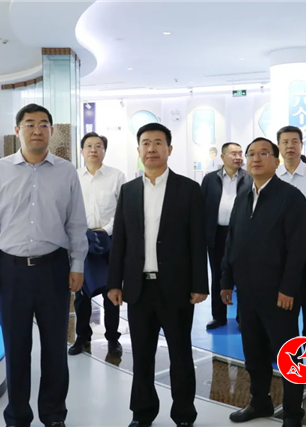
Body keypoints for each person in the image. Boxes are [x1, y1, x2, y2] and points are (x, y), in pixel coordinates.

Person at [0, 103, 88, 427]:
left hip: (54, 268)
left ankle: (53, 414)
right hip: (10, 271)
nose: (36, 130)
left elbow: (76, 223)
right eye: (29, 124)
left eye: (43, 124)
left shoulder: (66, 171)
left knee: (55, 347)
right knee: (16, 347)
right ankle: (17, 416)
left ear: (51, 131)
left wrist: (77, 264)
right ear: (18, 130)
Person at [106, 123, 209, 427]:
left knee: (180, 354)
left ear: (169, 149)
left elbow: (197, 240)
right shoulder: (128, 190)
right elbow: (120, 241)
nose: (151, 149)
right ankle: (142, 413)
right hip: (138, 288)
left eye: (158, 143)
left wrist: (200, 284)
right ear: (138, 149)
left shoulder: (188, 189)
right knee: (142, 355)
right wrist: (114, 283)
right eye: (146, 143)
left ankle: (184, 415)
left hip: (176, 287)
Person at [221, 137, 306, 427]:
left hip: (278, 293)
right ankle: (260, 401)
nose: (256, 159)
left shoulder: (290, 197)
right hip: (246, 291)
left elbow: (297, 248)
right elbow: (232, 240)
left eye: (263, 153)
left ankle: (293, 414)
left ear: (276, 160)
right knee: (253, 352)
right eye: (251, 154)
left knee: (289, 355)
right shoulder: (244, 194)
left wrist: (288, 288)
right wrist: (226, 280)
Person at [69, 132, 125, 356]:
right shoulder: (73, 177)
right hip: (81, 240)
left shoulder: (116, 176)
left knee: (112, 291)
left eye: (98, 146)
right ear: (82, 151)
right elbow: (67, 209)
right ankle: (82, 337)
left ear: (104, 151)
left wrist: (106, 230)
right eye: (89, 146)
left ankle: (113, 338)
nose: (93, 149)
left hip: (109, 239)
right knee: (81, 292)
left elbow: (123, 209)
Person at [276, 125, 306, 347]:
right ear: (278, 146)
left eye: (294, 141)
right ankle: (285, 345)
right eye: (285, 142)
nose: (290, 146)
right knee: (281, 297)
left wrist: (305, 214)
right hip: (277, 246)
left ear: (301, 145)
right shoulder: (273, 175)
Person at [201, 142, 250, 330]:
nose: (238, 157)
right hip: (216, 233)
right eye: (234, 154)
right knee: (217, 275)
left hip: (241, 234)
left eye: (240, 154)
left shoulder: (248, 178)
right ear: (222, 157)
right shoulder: (210, 179)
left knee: (242, 275)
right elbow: (202, 205)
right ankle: (218, 316)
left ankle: (242, 317)